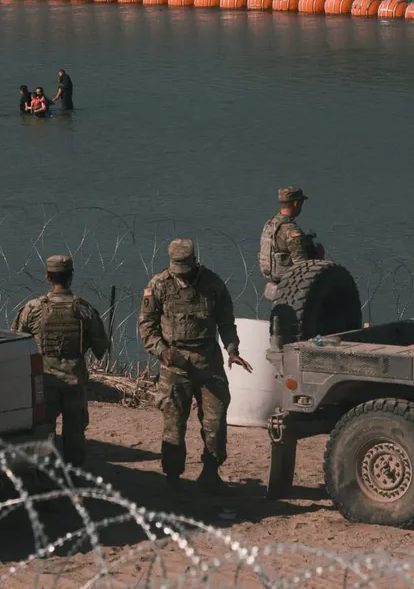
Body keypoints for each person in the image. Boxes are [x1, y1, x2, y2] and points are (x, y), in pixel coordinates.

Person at [138, 238, 251, 492]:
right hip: (175, 366)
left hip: (208, 363)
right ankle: (172, 478)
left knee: (215, 421)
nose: (184, 277)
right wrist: (162, 351)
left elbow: (226, 321)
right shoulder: (159, 285)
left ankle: (210, 472)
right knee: (174, 422)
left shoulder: (212, 284)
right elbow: (147, 326)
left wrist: (232, 349)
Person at [10, 254, 109, 467]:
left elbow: (15, 341)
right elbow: (102, 346)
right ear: (71, 277)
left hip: (44, 381)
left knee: (45, 431)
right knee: (74, 433)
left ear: (48, 277)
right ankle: (74, 476)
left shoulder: (33, 308)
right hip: (75, 380)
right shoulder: (84, 309)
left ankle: (47, 477)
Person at [259, 187, 327, 301]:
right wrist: (318, 258)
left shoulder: (270, 224)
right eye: (301, 203)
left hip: (274, 278)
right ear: (296, 203)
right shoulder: (290, 230)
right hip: (290, 283)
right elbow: (301, 266)